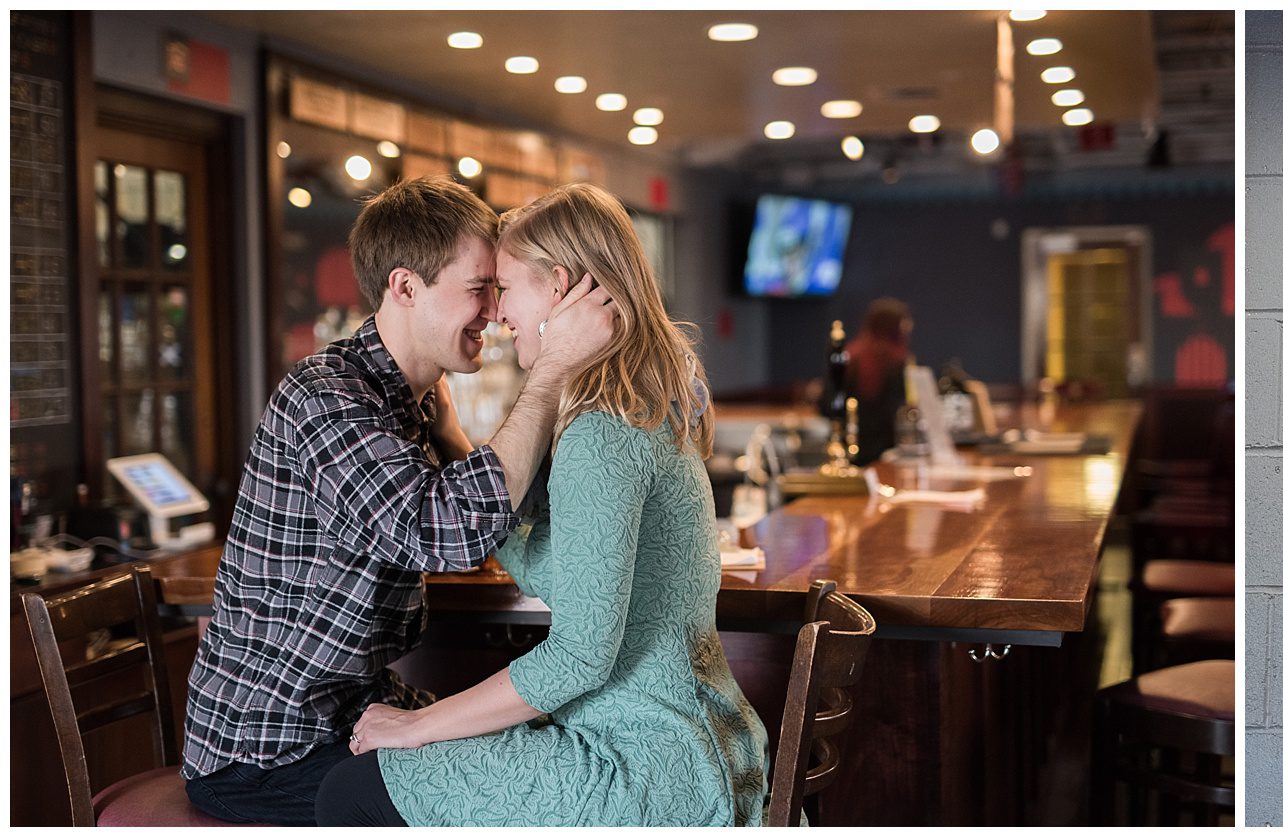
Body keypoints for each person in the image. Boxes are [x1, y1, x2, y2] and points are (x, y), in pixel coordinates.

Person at [315, 183, 769, 827]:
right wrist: (452, 441)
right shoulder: (636, 408)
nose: (498, 314)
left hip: (643, 765)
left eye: (504, 288)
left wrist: (418, 727)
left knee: (348, 790)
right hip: (700, 747)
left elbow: (580, 657)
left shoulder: (599, 436)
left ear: (557, 286)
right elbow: (552, 564)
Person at [181, 176, 616, 826]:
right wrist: (552, 370)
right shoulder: (326, 398)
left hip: (349, 715)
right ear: (405, 286)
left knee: (538, 761)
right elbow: (448, 528)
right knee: (506, 800)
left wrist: (449, 430)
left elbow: (488, 523)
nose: (496, 311)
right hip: (267, 748)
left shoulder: (411, 400)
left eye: (498, 290)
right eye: (478, 288)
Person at [837, 297, 912, 465]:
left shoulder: (850, 356)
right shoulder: (897, 362)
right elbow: (899, 410)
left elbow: (828, 404)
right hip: (887, 453)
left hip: (849, 450)